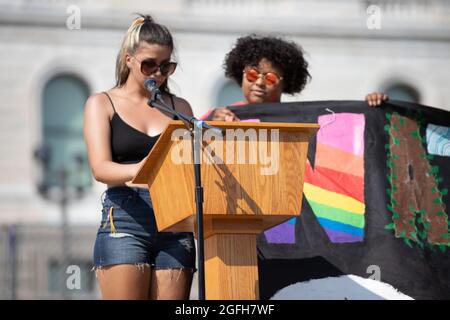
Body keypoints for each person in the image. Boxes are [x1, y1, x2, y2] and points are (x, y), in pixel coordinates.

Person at [83, 14, 196, 300]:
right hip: (126, 218)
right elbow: (100, 168)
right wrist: (145, 168)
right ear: (129, 59)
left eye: (166, 66)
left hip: (176, 219)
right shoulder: (102, 103)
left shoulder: (179, 107)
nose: (157, 73)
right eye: (149, 65)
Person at [202, 34, 388, 121]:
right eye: (252, 74)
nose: (259, 82)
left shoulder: (301, 120)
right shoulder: (220, 116)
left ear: (286, 82)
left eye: (270, 78)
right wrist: (209, 124)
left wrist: (373, 109)